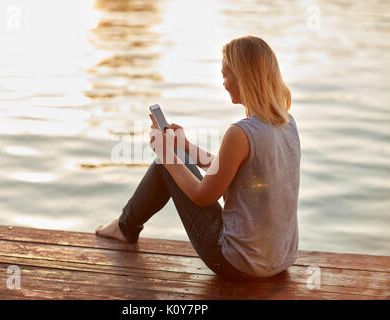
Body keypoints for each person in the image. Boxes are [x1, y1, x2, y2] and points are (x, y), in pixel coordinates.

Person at [95, 35, 301, 281]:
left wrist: (165, 154)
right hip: (280, 259)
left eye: (226, 74)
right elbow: (235, 169)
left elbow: (203, 197)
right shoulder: (287, 123)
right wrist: (185, 147)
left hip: (237, 264)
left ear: (244, 77)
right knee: (175, 158)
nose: (223, 82)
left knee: (165, 165)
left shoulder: (240, 132)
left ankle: (125, 227)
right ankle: (125, 225)